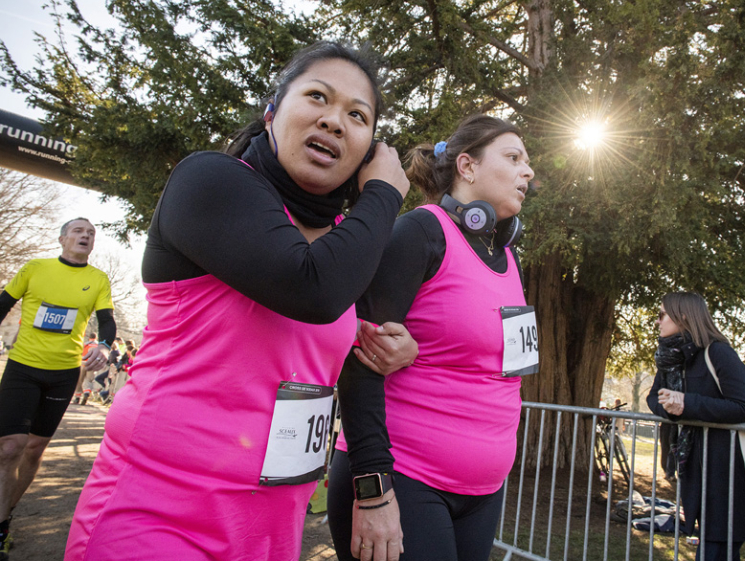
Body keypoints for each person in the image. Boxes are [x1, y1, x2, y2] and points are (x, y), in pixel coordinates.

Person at [65, 41, 411, 561]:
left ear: (365, 151)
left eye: (356, 116)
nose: (335, 121)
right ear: (271, 113)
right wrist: (384, 193)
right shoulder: (210, 180)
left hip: (273, 526)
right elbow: (312, 289)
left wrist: (373, 485)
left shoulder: (345, 245)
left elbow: (358, 372)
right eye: (318, 96)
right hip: (162, 514)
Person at [328, 114, 537, 561]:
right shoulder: (420, 232)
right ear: (467, 166)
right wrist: (374, 491)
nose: (528, 171)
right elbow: (357, 359)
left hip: (484, 491)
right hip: (405, 481)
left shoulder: (510, 260)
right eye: (514, 157)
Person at [0, 218, 115, 561]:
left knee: (34, 449)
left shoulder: (97, 280)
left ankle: (6, 513)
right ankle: (0, 524)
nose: (85, 236)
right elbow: (3, 303)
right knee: (9, 447)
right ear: (63, 238)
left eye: (91, 233)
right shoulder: (36, 268)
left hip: (64, 373)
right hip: (23, 366)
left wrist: (105, 346)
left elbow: (107, 320)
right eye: (78, 231)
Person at [646, 292, 745, 561]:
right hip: (694, 465)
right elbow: (653, 398)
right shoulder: (671, 359)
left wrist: (688, 404)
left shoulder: (719, 353)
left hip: (727, 470)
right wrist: (671, 410)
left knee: (718, 547)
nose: (658, 322)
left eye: (662, 315)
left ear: (683, 317)